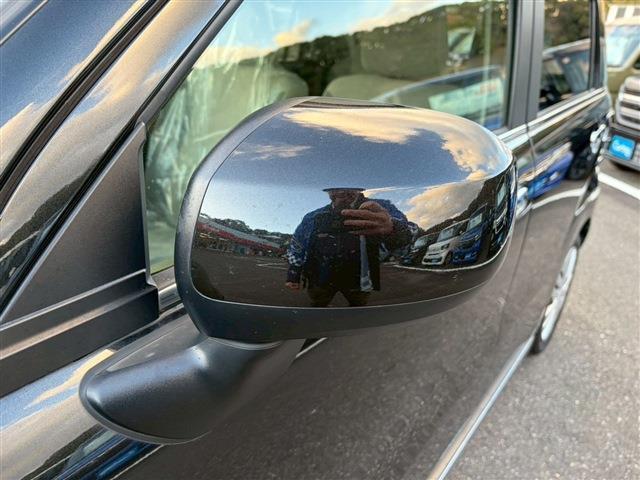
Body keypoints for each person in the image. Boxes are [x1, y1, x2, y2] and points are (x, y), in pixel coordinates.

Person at [285, 188, 413, 307]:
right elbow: (298, 243)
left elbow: (409, 233)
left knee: (359, 307)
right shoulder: (313, 216)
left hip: (359, 278)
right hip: (321, 275)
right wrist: (294, 272)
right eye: (334, 189)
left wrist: (394, 228)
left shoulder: (380, 208)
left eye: (348, 189)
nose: (341, 192)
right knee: (318, 304)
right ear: (328, 191)